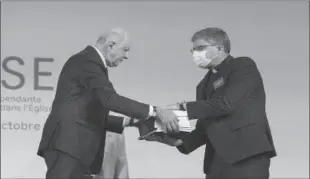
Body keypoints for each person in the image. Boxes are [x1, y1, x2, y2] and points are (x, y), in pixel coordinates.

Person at [37, 28, 180, 179]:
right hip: (68, 145)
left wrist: (131, 121)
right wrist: (156, 111)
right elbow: (110, 100)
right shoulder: (89, 61)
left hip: (71, 147)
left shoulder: (88, 61)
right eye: (125, 50)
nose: (126, 56)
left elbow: (85, 112)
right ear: (111, 45)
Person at [147, 27, 277, 178]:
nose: (196, 54)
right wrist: (179, 142)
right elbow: (204, 126)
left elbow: (227, 103)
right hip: (216, 162)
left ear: (219, 47)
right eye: (193, 50)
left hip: (247, 155)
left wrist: (183, 108)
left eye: (200, 48)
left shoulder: (242, 66)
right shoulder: (203, 85)